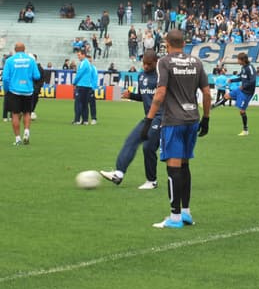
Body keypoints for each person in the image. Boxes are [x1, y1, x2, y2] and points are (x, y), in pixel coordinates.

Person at [140, 29, 211, 229]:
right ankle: (186, 213)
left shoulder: (164, 62)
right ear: (184, 43)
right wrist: (206, 118)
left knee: (173, 168)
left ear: (167, 43)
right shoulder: (196, 62)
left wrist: (148, 120)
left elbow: (161, 92)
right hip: (192, 120)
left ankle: (175, 217)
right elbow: (206, 93)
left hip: (173, 122)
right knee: (185, 166)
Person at [100, 50, 161, 190]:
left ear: (156, 62)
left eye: (149, 64)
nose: (145, 66)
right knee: (131, 140)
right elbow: (144, 97)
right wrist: (131, 96)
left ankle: (152, 181)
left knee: (148, 147)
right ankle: (118, 174)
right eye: (144, 63)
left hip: (163, 117)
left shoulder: (162, 76)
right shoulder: (141, 76)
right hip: (149, 118)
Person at [3, 43, 40, 145]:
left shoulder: (9, 61)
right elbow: (37, 76)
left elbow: (5, 78)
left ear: (15, 50)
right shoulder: (31, 60)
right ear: (24, 49)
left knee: (15, 114)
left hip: (14, 90)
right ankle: (27, 131)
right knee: (27, 113)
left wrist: (6, 89)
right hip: (28, 90)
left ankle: (18, 138)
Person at [226, 52, 256, 136]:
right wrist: (232, 80)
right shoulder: (243, 67)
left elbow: (252, 80)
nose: (237, 61)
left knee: (242, 111)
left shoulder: (250, 68)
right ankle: (211, 107)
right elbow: (241, 78)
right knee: (227, 95)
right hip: (242, 90)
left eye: (238, 60)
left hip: (247, 92)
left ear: (243, 60)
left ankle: (245, 130)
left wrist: (244, 86)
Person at [73, 50, 94, 125]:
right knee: (85, 103)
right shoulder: (88, 63)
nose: (78, 57)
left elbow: (79, 74)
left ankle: (77, 120)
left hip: (81, 85)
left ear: (83, 55)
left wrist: (74, 82)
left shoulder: (83, 63)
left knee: (78, 103)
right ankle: (85, 120)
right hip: (87, 86)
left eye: (79, 55)